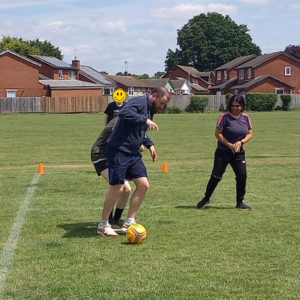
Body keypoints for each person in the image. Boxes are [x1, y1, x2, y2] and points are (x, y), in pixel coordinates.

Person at [97, 87, 171, 237]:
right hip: (118, 150)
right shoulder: (139, 101)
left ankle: (129, 221)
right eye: (161, 103)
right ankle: (103, 225)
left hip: (132, 153)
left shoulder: (149, 110)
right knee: (117, 187)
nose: (162, 107)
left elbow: (140, 131)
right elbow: (124, 113)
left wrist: (149, 144)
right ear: (154, 96)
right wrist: (145, 119)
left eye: (164, 105)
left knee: (143, 185)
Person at [197, 94, 253, 210]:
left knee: (242, 176)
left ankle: (240, 203)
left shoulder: (246, 118)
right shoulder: (224, 117)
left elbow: (249, 133)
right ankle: (206, 198)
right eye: (232, 105)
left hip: (238, 153)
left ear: (242, 106)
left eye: (237, 106)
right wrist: (229, 144)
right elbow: (218, 133)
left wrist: (240, 143)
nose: (235, 108)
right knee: (216, 176)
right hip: (223, 152)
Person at [91, 117, 131, 231]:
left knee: (126, 189)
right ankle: (106, 221)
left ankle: (115, 220)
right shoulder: (122, 120)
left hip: (111, 156)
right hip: (100, 155)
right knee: (117, 186)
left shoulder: (130, 119)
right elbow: (116, 138)